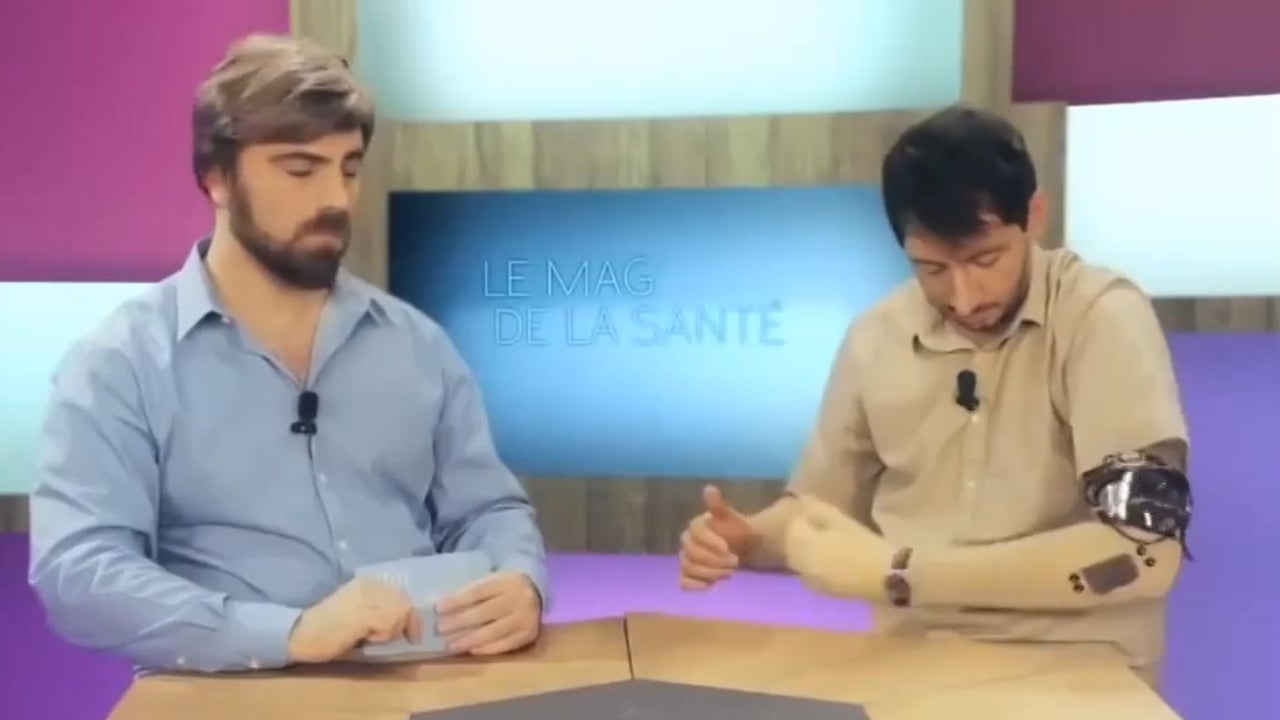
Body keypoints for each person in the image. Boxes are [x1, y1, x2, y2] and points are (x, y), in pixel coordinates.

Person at [27, 34, 548, 674]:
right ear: (217, 179)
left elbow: (488, 511)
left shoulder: (417, 345)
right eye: (301, 170)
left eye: (348, 168)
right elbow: (80, 573)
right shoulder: (120, 363)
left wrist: (520, 579)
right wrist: (289, 633)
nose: (336, 198)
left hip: (423, 683)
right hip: (230, 696)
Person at [676, 106, 1192, 689]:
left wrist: (902, 573)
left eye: (985, 260)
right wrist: (749, 539)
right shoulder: (875, 338)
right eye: (931, 269)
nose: (964, 298)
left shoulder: (1102, 318)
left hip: (1080, 672)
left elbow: (1144, 551)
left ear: (1034, 216)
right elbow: (816, 515)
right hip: (913, 670)